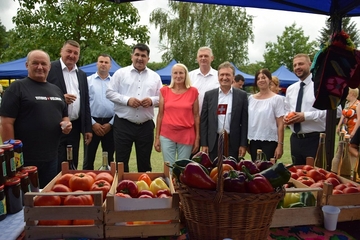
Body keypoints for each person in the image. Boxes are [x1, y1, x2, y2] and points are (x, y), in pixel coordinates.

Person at [0, 50, 72, 188]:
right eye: (35, 63)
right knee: (25, 199)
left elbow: (64, 114)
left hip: (51, 156)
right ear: (27, 65)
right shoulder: (17, 87)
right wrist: (12, 156)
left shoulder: (56, 90)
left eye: (43, 64)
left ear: (49, 67)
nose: (40, 67)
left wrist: (67, 124)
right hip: (25, 159)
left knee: (47, 197)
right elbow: (6, 123)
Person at [106, 43, 162, 172]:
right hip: (123, 125)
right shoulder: (121, 73)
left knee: (144, 163)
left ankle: (144, 191)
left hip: (146, 126)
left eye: (143, 55)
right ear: (132, 56)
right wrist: (127, 100)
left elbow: (162, 97)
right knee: (121, 162)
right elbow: (109, 93)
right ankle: (120, 191)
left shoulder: (155, 77)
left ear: (148, 58)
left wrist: (152, 100)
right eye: (137, 54)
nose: (140, 58)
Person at [47, 40, 92, 172]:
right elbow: (42, 92)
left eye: (75, 53)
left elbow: (85, 103)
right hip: (55, 125)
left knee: (72, 161)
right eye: (69, 51)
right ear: (61, 51)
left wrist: (87, 128)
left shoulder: (82, 75)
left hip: (75, 126)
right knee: (56, 163)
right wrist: (61, 98)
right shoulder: (49, 69)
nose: (72, 55)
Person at [200, 61, 248, 161]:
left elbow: (244, 122)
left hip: (233, 142)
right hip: (213, 142)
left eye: (228, 75)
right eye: (222, 75)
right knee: (213, 172)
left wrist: (243, 144)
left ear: (233, 77)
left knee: (231, 173)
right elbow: (204, 121)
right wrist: (204, 143)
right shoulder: (209, 95)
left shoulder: (242, 96)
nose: (224, 78)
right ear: (218, 77)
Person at [284, 53, 326, 165]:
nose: (297, 67)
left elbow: (336, 112)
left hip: (315, 139)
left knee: (315, 177)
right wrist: (286, 119)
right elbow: (287, 111)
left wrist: (305, 116)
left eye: (301, 64)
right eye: (295, 65)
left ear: (310, 64)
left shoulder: (320, 86)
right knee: (297, 177)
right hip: (295, 140)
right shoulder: (291, 89)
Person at [154, 63, 200, 166]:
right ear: (172, 75)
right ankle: (170, 182)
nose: (178, 76)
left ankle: (179, 183)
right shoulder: (164, 91)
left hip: (186, 134)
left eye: (181, 73)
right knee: (169, 167)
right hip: (167, 134)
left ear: (185, 74)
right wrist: (157, 138)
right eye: (175, 73)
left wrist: (197, 138)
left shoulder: (193, 91)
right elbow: (160, 115)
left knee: (182, 167)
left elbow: (196, 116)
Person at [83, 54, 115, 170]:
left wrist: (111, 123)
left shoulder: (115, 83)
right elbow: (84, 104)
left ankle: (109, 184)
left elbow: (119, 105)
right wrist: (92, 123)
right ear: (97, 64)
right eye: (101, 61)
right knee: (88, 158)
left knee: (110, 159)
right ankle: (86, 185)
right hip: (92, 123)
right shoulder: (87, 81)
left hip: (110, 124)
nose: (103, 64)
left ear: (110, 66)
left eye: (106, 62)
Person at [248, 69, 285, 161]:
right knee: (255, 170)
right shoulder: (251, 99)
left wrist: (280, 145)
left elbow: (281, 124)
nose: (261, 80)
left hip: (270, 141)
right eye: (258, 78)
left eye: (264, 77)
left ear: (269, 80)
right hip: (253, 141)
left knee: (268, 171)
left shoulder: (277, 99)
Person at [189, 46, 219, 112]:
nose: (203, 58)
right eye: (200, 56)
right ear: (197, 59)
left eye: (206, 56)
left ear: (212, 58)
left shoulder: (219, 76)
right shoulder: (189, 76)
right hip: (193, 116)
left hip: (212, 117)